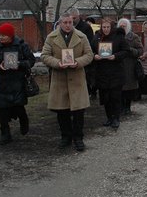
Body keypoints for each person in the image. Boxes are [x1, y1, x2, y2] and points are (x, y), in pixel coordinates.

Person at [41, 12, 93, 151]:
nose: (68, 25)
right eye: (65, 22)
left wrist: (78, 62)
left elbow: (89, 55)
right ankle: (66, 137)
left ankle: (78, 138)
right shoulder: (51, 38)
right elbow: (45, 56)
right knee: (62, 112)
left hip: (77, 79)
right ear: (60, 23)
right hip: (59, 80)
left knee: (78, 113)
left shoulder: (82, 37)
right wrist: (57, 63)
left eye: (70, 22)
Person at [0, 23, 36, 145]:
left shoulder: (21, 45)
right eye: (0, 35)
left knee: (19, 107)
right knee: (2, 111)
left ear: (10, 35)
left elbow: (31, 60)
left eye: (4, 35)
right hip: (2, 84)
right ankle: (5, 134)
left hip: (18, 83)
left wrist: (20, 64)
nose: (1, 37)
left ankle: (24, 121)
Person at [92, 18, 130, 129]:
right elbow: (90, 50)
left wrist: (115, 56)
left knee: (115, 97)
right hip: (102, 72)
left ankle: (116, 118)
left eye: (108, 27)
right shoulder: (97, 37)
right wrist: (95, 56)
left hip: (116, 72)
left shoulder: (119, 36)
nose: (106, 29)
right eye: (104, 27)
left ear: (111, 27)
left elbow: (126, 51)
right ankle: (109, 117)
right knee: (105, 97)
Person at [69, 8, 96, 99]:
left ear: (78, 16)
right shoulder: (69, 27)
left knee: (85, 78)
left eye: (74, 18)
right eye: (71, 18)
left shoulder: (86, 27)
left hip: (83, 57)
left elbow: (90, 43)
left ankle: (88, 93)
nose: (73, 20)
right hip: (71, 56)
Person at [118, 18, 143, 115]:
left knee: (129, 88)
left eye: (124, 26)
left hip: (130, 66)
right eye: (121, 26)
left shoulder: (134, 37)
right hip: (118, 65)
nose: (122, 28)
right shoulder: (115, 36)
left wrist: (130, 49)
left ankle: (127, 107)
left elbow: (140, 51)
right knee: (119, 88)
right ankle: (120, 107)